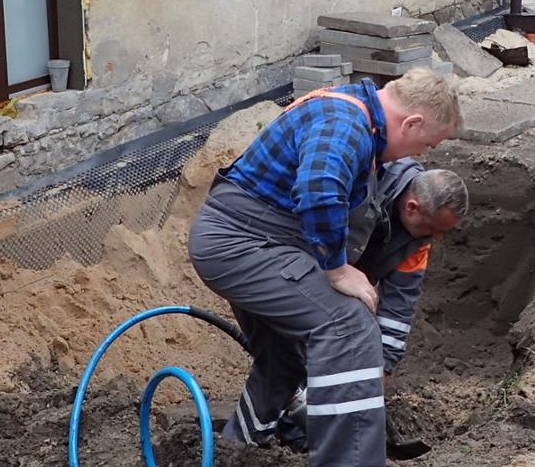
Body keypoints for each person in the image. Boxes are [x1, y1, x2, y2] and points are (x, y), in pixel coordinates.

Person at [189, 69, 462, 467]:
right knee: (347, 325)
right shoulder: (346, 123)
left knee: (283, 360)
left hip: (254, 240)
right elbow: (319, 189)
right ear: (412, 123)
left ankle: (234, 452)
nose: (419, 156)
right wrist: (336, 270)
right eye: (425, 145)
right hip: (243, 242)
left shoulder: (354, 122)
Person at [275, 159, 469, 455]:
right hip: (298, 268)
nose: (437, 237)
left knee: (349, 341)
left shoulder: (419, 240)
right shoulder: (362, 187)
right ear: (412, 207)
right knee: (300, 354)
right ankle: (262, 431)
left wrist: (382, 369)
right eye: (433, 227)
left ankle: (305, 430)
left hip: (346, 287)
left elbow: (399, 308)